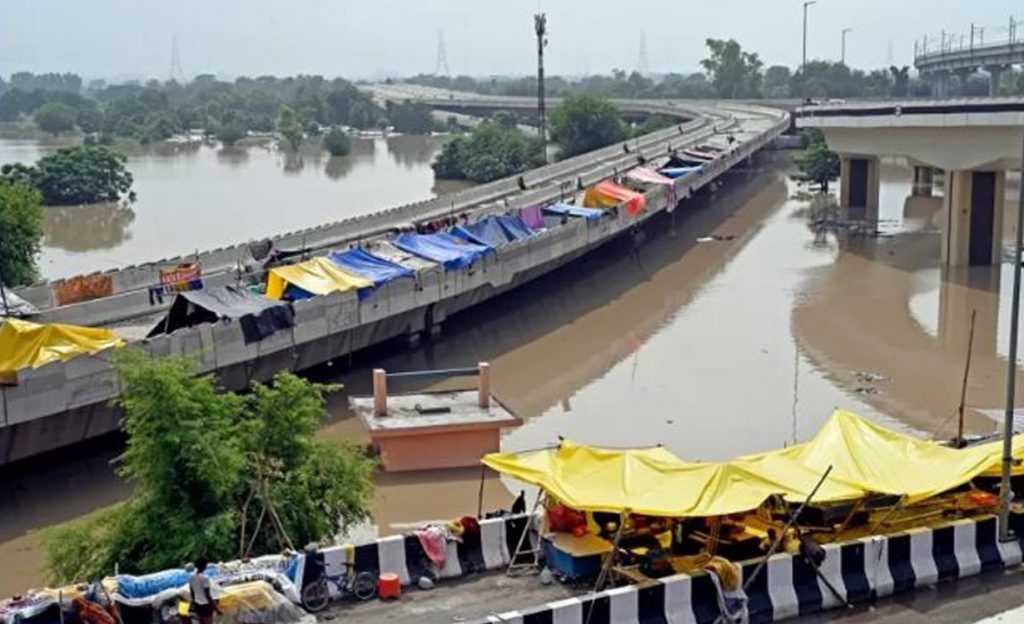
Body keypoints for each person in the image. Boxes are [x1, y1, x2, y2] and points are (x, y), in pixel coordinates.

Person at [188, 560, 220, 624]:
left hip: (197, 604)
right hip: (205, 605)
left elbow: (192, 593)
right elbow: (207, 595)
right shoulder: (205, 578)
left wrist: (194, 604)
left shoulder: (192, 578)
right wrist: (216, 608)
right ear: (205, 566)